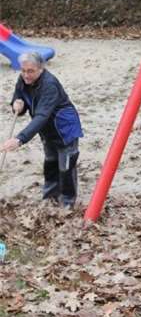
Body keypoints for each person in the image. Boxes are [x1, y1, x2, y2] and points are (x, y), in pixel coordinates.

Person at [0, 52, 83, 208]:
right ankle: (50, 195)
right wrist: (16, 104)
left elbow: (42, 115)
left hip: (64, 128)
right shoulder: (23, 79)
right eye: (23, 71)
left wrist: (20, 139)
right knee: (50, 161)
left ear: (41, 69)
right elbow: (19, 98)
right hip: (46, 129)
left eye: (30, 71)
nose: (26, 75)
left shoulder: (49, 84)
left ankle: (67, 202)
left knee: (66, 165)